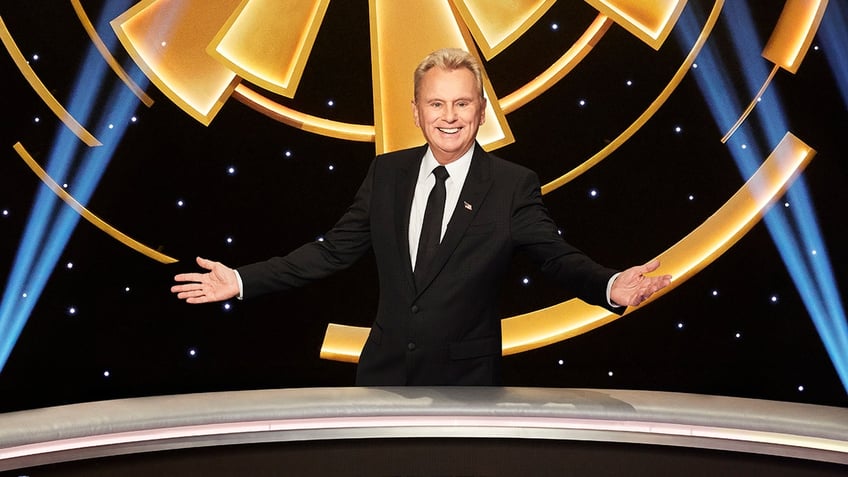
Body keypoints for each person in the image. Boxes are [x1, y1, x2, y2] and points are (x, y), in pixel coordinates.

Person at [172, 48, 671, 386]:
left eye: (461, 103)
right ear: (415, 110)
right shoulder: (386, 174)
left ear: (481, 112)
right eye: (436, 103)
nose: (448, 116)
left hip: (466, 386)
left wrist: (609, 285)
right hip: (382, 378)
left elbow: (556, 258)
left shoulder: (511, 185)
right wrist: (240, 280)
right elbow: (331, 252)